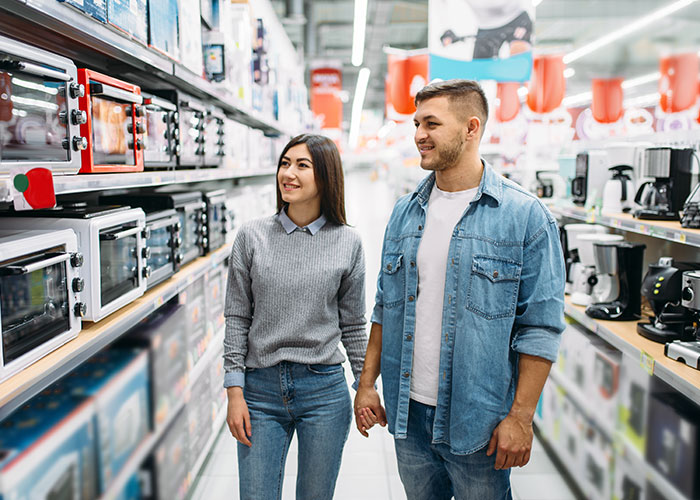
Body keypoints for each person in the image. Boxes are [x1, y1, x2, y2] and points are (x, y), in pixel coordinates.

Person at [354, 79, 565, 500]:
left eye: (431, 123)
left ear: (471, 128)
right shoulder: (405, 212)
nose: (418, 135)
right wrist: (366, 383)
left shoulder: (524, 217)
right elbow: (385, 305)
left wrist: (521, 418)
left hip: (479, 420)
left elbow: (540, 327)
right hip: (407, 414)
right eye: (416, 123)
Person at [223, 134, 368, 500]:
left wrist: (365, 387)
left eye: (302, 165)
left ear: (326, 177)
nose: (288, 173)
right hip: (259, 392)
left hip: (323, 391)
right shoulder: (251, 236)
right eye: (285, 163)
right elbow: (238, 316)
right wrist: (234, 391)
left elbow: (353, 324)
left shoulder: (347, 242)